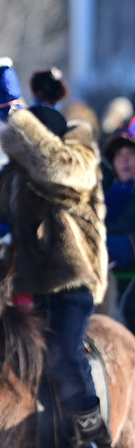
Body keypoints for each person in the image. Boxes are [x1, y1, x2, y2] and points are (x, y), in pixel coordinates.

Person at [0, 58, 112, 448]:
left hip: (70, 279)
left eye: (30, 137)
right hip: (23, 287)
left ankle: (94, 441)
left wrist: (15, 114)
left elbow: (57, 169)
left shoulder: (80, 152)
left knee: (60, 355)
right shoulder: (12, 175)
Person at [101, 118, 135, 327]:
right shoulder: (107, 193)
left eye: (131, 154)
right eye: (119, 155)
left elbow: (125, 223)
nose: (124, 160)